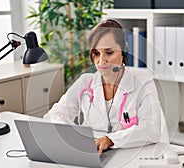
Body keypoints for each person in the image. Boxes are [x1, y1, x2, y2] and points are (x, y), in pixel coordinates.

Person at [43, 19, 161, 153]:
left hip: (129, 155)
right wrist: (72, 136)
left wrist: (110, 139)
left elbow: (152, 130)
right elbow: (55, 114)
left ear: (124, 49)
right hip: (92, 153)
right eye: (96, 53)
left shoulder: (143, 83)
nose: (101, 61)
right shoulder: (85, 82)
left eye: (109, 53)